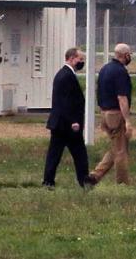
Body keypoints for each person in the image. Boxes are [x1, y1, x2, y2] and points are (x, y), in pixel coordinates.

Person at [42, 47, 92, 188]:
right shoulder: (66, 76)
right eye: (80, 59)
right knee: (79, 154)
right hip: (67, 125)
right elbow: (65, 102)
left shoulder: (63, 74)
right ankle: (84, 181)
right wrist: (74, 121)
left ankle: (48, 181)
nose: (81, 62)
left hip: (60, 123)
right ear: (71, 58)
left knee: (55, 154)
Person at [86, 43, 134, 185]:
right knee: (121, 153)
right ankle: (122, 185)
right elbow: (122, 98)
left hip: (104, 114)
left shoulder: (105, 69)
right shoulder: (120, 72)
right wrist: (127, 120)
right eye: (129, 54)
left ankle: (94, 176)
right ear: (125, 55)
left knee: (116, 147)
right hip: (116, 115)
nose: (130, 56)